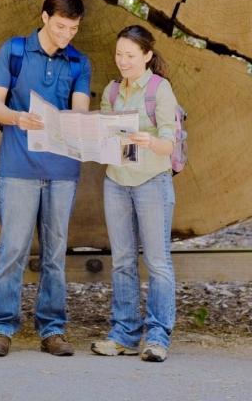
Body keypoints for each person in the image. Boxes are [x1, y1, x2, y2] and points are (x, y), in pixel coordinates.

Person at [0, 0, 92, 357]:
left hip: (63, 171)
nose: (66, 35)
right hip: (17, 168)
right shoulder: (13, 51)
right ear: (44, 17)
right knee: (12, 250)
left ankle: (53, 329)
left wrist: (82, 125)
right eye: (61, 26)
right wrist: (17, 118)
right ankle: (1, 328)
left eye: (73, 29)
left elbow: (78, 111)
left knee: (55, 253)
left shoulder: (79, 63)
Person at [91, 24, 178, 363]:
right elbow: (103, 137)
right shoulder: (112, 92)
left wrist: (148, 141)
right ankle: (124, 333)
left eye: (130, 55)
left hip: (152, 181)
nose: (123, 61)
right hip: (116, 181)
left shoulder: (160, 90)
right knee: (123, 261)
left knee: (157, 262)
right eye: (119, 55)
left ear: (147, 56)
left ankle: (157, 336)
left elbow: (169, 143)